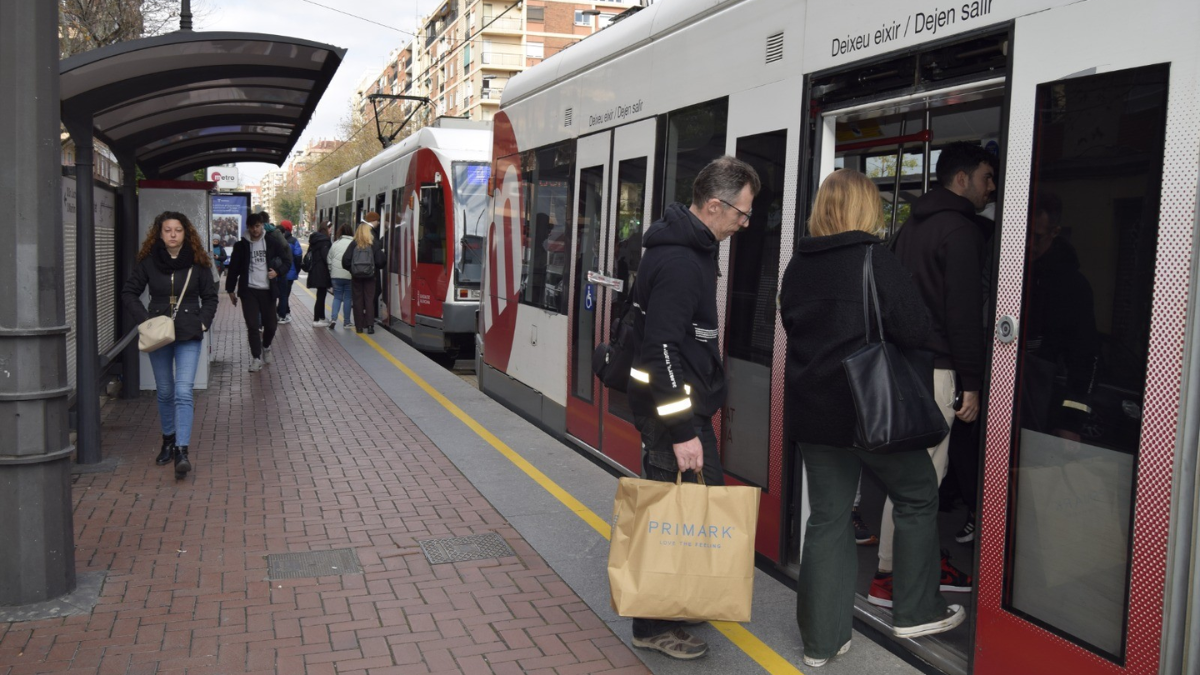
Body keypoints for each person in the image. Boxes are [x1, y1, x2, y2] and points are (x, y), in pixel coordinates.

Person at [780, 170, 964, 667]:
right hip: (871, 410)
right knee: (919, 492)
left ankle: (822, 642)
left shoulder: (798, 265)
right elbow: (915, 327)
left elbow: (793, 325)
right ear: (865, 209)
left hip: (815, 417)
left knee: (828, 519)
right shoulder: (873, 258)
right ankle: (916, 608)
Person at [625, 156, 760, 660]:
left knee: (692, 507)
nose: (744, 224)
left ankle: (678, 598)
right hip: (673, 416)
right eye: (741, 214)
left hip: (680, 409)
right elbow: (662, 350)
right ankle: (651, 624)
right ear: (713, 205)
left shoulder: (691, 248)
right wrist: (683, 430)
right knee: (670, 512)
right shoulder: (684, 260)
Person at [868, 141, 993, 607]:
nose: (990, 188)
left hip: (903, 365)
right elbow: (961, 315)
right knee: (922, 482)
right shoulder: (960, 232)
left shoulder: (909, 228)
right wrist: (973, 383)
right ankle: (894, 577)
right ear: (960, 179)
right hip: (939, 371)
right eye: (985, 177)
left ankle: (887, 569)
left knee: (907, 475)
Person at [121, 211, 219, 479]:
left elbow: (211, 297)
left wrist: (203, 323)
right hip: (158, 333)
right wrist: (145, 321)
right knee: (165, 391)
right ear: (159, 233)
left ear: (186, 233)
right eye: (168, 230)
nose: (173, 234)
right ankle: (167, 439)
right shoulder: (149, 263)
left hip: (189, 333)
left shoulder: (199, 263)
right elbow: (129, 292)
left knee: (184, 391)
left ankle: (181, 450)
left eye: (178, 230)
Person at [225, 213, 291, 371]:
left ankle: (266, 346)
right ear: (248, 226)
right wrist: (230, 290)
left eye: (258, 226)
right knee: (253, 326)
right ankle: (256, 358)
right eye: (253, 226)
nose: (255, 229)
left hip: (267, 290)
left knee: (271, 326)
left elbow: (287, 261)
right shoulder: (241, 246)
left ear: (262, 226)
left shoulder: (271, 242)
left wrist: (277, 272)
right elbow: (233, 269)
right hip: (249, 291)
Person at [341, 213, 385, 334]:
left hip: (356, 277)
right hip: (371, 277)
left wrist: (353, 270)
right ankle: (370, 326)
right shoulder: (374, 243)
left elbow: (345, 261)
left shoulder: (354, 243)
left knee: (358, 300)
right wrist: (374, 268)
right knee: (369, 300)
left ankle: (359, 327)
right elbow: (381, 261)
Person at [327, 222, 355, 329]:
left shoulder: (335, 243)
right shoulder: (354, 243)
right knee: (347, 298)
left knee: (337, 297)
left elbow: (329, 259)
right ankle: (347, 322)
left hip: (336, 276)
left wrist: (331, 271)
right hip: (349, 275)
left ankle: (333, 319)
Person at [307, 221, 334, 327]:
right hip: (322, 272)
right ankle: (316, 319)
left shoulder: (315, 240)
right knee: (321, 296)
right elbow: (326, 257)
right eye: (329, 228)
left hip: (315, 271)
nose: (331, 230)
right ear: (325, 229)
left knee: (320, 294)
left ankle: (321, 317)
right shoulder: (325, 241)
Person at [277, 220, 302, 324]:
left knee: (282, 294)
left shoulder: (276, 239)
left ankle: (284, 312)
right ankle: (283, 314)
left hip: (277, 271)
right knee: (285, 294)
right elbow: (298, 256)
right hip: (289, 273)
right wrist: (297, 269)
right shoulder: (293, 241)